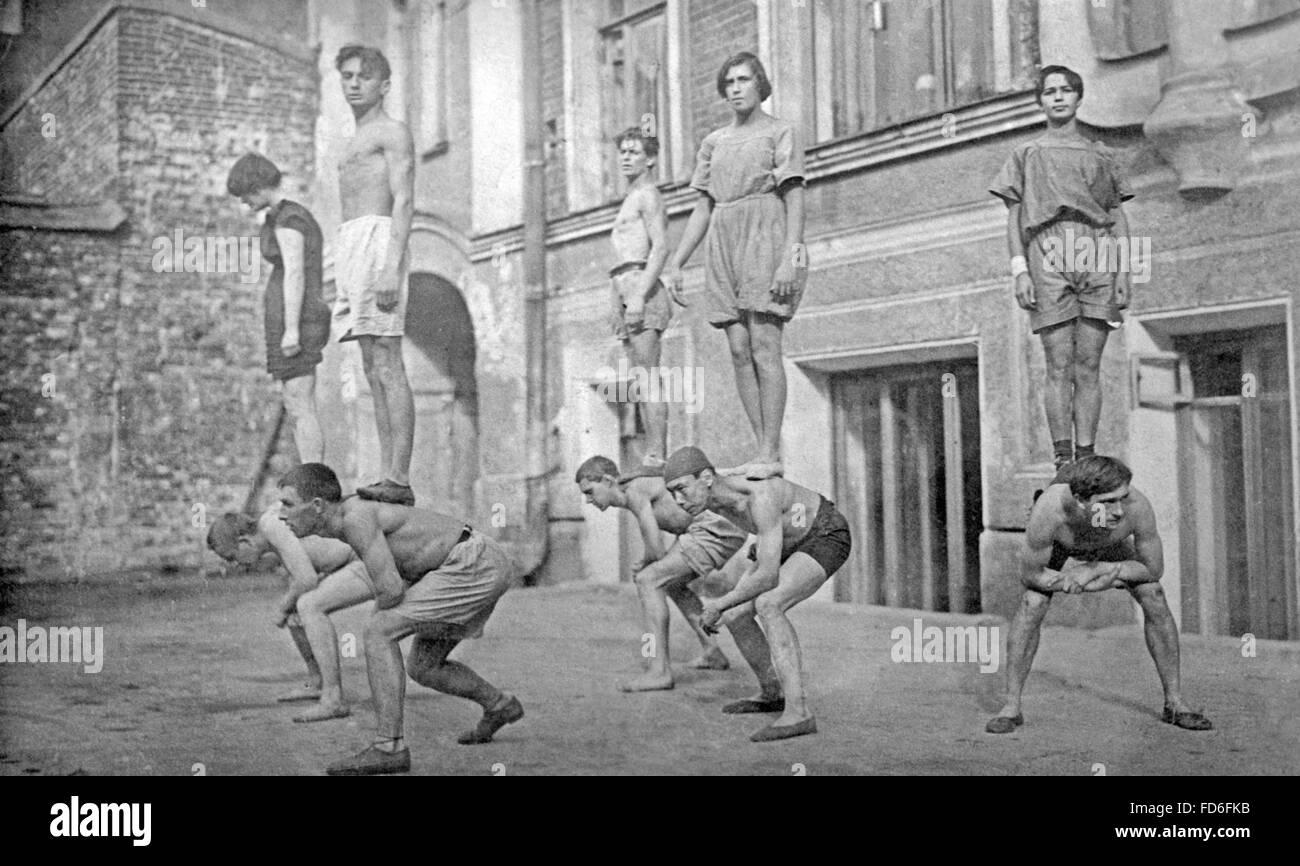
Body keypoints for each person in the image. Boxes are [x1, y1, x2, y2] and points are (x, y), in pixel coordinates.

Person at [277, 463, 522, 776]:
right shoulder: (348, 517)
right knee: (424, 667)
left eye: (287, 504)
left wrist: (382, 615)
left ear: (317, 506)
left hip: (473, 565)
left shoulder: (356, 518)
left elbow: (390, 587)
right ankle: (499, 704)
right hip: (467, 565)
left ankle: (388, 747)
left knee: (379, 632)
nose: (282, 514)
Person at [985, 455, 1212, 734]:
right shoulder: (1049, 510)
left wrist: (1099, 571)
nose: (1118, 511)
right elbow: (1031, 574)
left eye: (1122, 497)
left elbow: (1153, 569)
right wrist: (1069, 579)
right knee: (1032, 602)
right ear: (1081, 500)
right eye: (1107, 503)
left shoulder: (1137, 507)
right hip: (1063, 545)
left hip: (1110, 547)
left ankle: (1175, 703)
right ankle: (1011, 706)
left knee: (1154, 594)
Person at [665, 52, 807, 481]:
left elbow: (795, 194)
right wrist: (676, 261)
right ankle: (760, 447)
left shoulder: (780, 132)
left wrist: (790, 254)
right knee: (738, 349)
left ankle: (770, 449)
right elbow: (703, 206)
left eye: (744, 79)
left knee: (765, 345)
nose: (735, 88)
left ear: (759, 84)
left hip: (766, 233)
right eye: (728, 82)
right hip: (723, 239)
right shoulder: (713, 142)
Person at [990, 65, 1135, 472]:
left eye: (1066, 90)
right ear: (1039, 100)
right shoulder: (1026, 154)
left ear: (1078, 96)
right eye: (1050, 91)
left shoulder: (1101, 154)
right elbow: (1014, 219)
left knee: (1089, 363)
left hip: (1094, 250)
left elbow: (1116, 214)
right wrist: (1020, 270)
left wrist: (1124, 272)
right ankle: (1062, 460)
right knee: (1058, 363)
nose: (1058, 97)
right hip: (1048, 249)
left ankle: (1086, 456)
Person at [662, 446, 851, 742]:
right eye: (672, 492)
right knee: (737, 615)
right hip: (790, 539)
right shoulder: (713, 495)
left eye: (682, 489)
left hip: (825, 534)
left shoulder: (758, 496)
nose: (678, 500)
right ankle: (772, 691)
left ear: (708, 477)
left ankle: (799, 712)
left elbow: (767, 576)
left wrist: (718, 604)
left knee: (769, 603)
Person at [574, 455, 748, 691]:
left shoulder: (635, 490)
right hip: (708, 527)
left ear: (607, 480)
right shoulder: (632, 489)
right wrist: (647, 561)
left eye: (590, 492)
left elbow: (655, 547)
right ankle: (712, 652)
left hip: (716, 526)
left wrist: (644, 564)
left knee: (648, 581)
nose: (588, 500)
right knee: (670, 583)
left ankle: (660, 672)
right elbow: (655, 548)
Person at [334, 44, 416, 506]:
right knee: (370, 364)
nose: (353, 83)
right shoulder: (348, 140)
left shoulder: (392, 131)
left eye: (363, 76)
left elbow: (403, 199)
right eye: (346, 76)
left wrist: (390, 263)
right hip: (350, 242)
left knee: (387, 358)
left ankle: (400, 477)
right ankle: (387, 473)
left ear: (383, 85)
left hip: (379, 239)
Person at [206, 508, 372, 722]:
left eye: (231, 557)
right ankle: (316, 682)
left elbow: (307, 580)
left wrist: (283, 607)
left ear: (244, 541)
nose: (235, 565)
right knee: (297, 612)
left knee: (308, 606)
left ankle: (333, 699)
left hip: (364, 561)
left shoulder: (271, 526)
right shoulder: (273, 537)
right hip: (345, 565)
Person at [226, 153, 330, 463]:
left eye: (245, 195)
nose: (245, 203)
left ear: (257, 187)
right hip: (287, 319)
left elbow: (296, 272)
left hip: (297, 319)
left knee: (301, 402)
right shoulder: (278, 217)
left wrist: (292, 330)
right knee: (294, 401)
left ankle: (314, 480)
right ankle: (308, 475)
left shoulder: (289, 219)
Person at [607, 128, 685, 476]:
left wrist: (638, 295)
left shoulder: (648, 195)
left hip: (642, 288)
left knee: (648, 376)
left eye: (634, 151)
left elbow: (661, 247)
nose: (625, 157)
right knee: (639, 378)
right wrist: (616, 302)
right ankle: (651, 454)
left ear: (650, 158)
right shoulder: (630, 197)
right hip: (625, 287)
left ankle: (657, 455)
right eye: (622, 151)